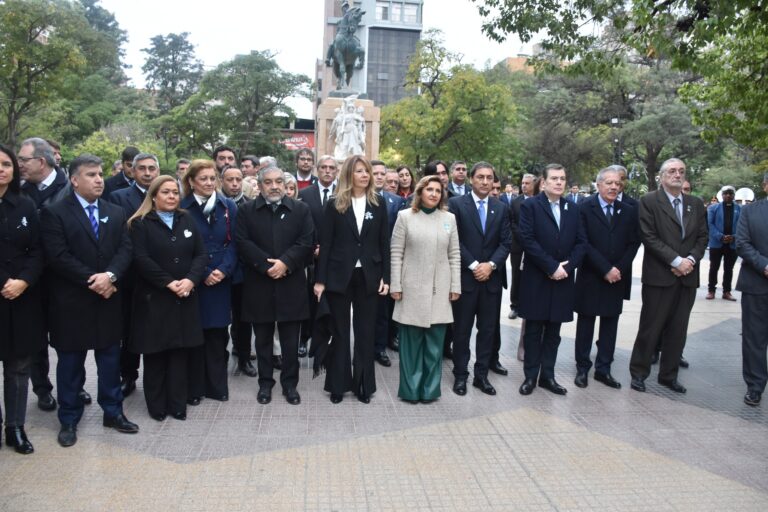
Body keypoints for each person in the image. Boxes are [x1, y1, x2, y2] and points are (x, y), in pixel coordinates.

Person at [40, 154, 138, 447]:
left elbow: (125, 249)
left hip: (107, 299)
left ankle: (113, 411)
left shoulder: (115, 211)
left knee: (110, 361)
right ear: (74, 180)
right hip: (72, 303)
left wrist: (110, 276)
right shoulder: (54, 212)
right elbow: (58, 257)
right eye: (91, 175)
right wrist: (93, 280)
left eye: (100, 174)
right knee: (70, 364)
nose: (99, 180)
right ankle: (69, 418)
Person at [128, 176, 207, 421]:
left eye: (175, 192)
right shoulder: (140, 223)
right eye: (166, 192)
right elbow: (141, 259)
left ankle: (177, 403)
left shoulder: (187, 219)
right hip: (155, 298)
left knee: (179, 354)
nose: (172, 196)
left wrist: (191, 280)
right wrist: (168, 282)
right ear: (154, 196)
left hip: (184, 297)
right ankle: (157, 405)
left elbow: (200, 254)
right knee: (156, 354)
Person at [314, 156, 391, 404]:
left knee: (365, 332)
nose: (365, 175)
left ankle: (363, 386)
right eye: (360, 171)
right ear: (349, 174)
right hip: (339, 275)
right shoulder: (334, 203)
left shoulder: (378, 203)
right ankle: (338, 384)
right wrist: (320, 280)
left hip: (369, 275)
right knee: (339, 331)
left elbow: (384, 243)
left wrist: (386, 277)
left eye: (367, 171)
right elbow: (325, 245)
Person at [629, 158, 708, 394]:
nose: (677, 175)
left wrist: (690, 261)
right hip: (659, 276)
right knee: (651, 327)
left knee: (678, 329)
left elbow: (702, 237)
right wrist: (675, 261)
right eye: (672, 171)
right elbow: (648, 236)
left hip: (687, 277)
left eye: (681, 171)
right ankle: (639, 373)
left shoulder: (695, 204)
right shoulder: (649, 201)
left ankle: (668, 375)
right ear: (662, 176)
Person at [236, 166, 313, 405]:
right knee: (263, 341)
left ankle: (290, 385)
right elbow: (242, 242)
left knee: (291, 342)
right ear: (259, 186)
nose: (275, 186)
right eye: (268, 182)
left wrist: (285, 263)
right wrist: (266, 265)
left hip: (291, 285)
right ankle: (265, 384)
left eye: (279, 181)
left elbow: (307, 242)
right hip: (259, 284)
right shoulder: (246, 210)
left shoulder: (300, 209)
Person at [390, 176, 461, 403]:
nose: (433, 194)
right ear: (419, 192)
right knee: (411, 345)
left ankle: (430, 391)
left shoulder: (449, 218)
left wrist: (455, 285)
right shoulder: (405, 217)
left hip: (440, 289)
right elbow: (396, 253)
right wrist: (396, 285)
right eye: (429, 189)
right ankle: (410, 391)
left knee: (434, 346)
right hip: (411, 289)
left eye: (438, 191)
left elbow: (454, 255)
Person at [517, 164, 586, 396]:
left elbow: (581, 242)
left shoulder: (573, 208)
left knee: (554, 332)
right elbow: (527, 239)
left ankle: (548, 376)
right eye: (554, 178)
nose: (559, 182)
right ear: (543, 183)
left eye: (563, 178)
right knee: (534, 330)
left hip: (563, 279)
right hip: (538, 277)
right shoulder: (530, 206)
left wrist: (566, 267)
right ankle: (530, 377)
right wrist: (551, 266)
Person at [573, 167, 640, 390]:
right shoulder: (583, 208)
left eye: (617, 184)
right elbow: (583, 242)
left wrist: (618, 269)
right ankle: (582, 368)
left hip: (616, 278)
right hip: (591, 276)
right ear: (598, 185)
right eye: (609, 183)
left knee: (610, 324)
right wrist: (605, 268)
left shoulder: (628, 210)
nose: (614, 187)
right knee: (586, 324)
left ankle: (604, 369)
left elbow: (633, 243)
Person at [448, 162, 511, 397]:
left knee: (487, 331)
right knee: (461, 331)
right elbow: (454, 240)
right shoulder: (456, 205)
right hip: (466, 279)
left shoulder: (501, 207)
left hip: (491, 282)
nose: (485, 181)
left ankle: (481, 376)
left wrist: (491, 265)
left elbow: (506, 242)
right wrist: (475, 265)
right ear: (472, 179)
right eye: (480, 177)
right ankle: (461, 376)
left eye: (489, 178)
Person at [17, 137, 71, 411]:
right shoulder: (19, 190)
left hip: (64, 276)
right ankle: (42, 389)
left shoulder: (70, 188)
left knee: (68, 338)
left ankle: (72, 387)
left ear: (41, 161)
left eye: (23, 160)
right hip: (29, 278)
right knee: (36, 338)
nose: (19, 165)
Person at [180, 160, 239, 403]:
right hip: (194, 280)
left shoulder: (228, 207)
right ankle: (195, 389)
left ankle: (217, 387)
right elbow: (182, 247)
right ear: (192, 181)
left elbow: (236, 243)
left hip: (221, 281)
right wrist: (203, 272)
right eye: (202, 178)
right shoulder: (183, 208)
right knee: (195, 336)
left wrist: (223, 270)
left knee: (217, 335)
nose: (208, 183)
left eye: (212, 178)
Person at [0, 144, 46, 454]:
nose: (1, 168)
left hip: (21, 296)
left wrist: (24, 281)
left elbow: (38, 250)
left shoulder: (25, 204)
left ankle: (15, 427)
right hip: (4, 289)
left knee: (18, 366)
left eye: (6, 163)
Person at [109, 153, 162, 398]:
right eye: (142, 168)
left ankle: (160, 377)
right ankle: (128, 376)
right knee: (129, 331)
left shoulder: (168, 195)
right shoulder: (120, 198)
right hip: (131, 277)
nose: (148, 173)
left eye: (152, 168)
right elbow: (118, 238)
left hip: (161, 277)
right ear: (132, 170)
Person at [298, 155, 339, 358]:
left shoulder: (343, 194)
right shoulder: (305, 194)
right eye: (323, 167)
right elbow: (303, 224)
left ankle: (325, 338)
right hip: (310, 255)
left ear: (337, 171)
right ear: (317, 169)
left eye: (332, 167)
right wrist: (314, 247)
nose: (327, 171)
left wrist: (329, 248)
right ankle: (304, 338)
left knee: (330, 300)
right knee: (307, 299)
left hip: (335, 257)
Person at [220, 166, 258, 377]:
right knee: (220, 318)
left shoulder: (250, 206)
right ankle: (220, 358)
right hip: (219, 271)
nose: (234, 184)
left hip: (243, 272)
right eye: (229, 179)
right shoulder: (215, 203)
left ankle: (244, 357)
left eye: (238, 179)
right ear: (221, 181)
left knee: (243, 319)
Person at [735, 173, 768, 406]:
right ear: (765, 186)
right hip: (757, 283)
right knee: (754, 338)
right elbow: (742, 243)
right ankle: (755, 386)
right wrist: (764, 265)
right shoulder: (750, 211)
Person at [508, 174, 535, 320]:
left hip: (536, 247)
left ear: (534, 184)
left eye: (527, 183)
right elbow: (512, 222)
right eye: (523, 183)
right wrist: (523, 238)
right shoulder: (515, 202)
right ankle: (515, 306)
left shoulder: (540, 200)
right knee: (516, 277)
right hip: (518, 247)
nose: (524, 185)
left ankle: (530, 304)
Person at [707, 185, 741, 301]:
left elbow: (742, 226)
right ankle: (711, 290)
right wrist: (720, 237)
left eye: (730, 193)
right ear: (721, 195)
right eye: (725, 193)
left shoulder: (740, 209)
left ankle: (727, 292)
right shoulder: (713, 208)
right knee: (714, 267)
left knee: (729, 269)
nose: (728, 195)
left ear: (734, 195)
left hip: (732, 243)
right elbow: (709, 224)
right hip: (717, 243)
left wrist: (734, 237)